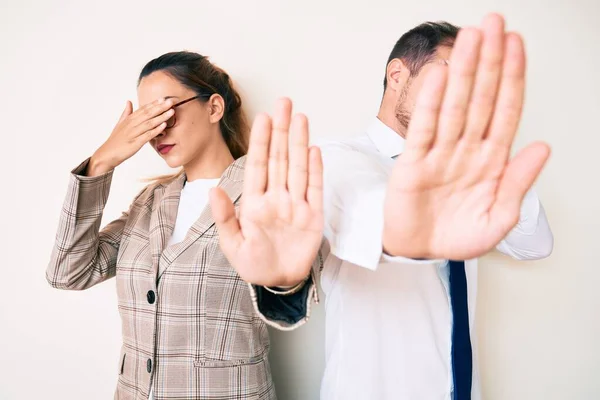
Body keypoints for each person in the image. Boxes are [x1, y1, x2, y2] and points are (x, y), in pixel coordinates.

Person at [223, 13, 552, 400]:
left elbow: (535, 243)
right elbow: (370, 216)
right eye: (452, 74)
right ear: (398, 75)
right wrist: (408, 233)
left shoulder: (464, 176)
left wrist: (487, 155)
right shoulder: (336, 158)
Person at [46, 51, 325, 400]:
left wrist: (285, 284)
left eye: (167, 110)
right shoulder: (150, 203)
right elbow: (68, 272)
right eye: (148, 118)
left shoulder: (267, 193)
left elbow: (292, 293)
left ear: (213, 108)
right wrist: (102, 161)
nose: (157, 130)